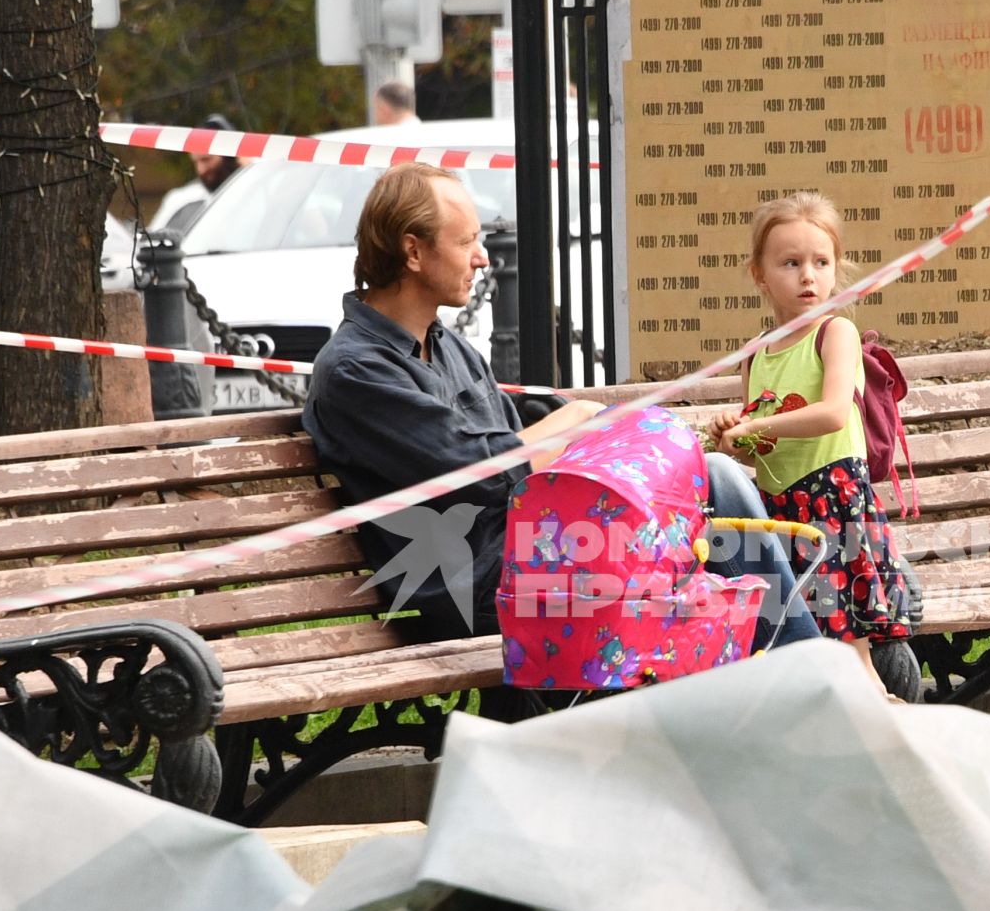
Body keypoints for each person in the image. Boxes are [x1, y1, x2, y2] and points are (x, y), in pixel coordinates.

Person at [303, 161, 820, 656]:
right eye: (466, 242)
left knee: (713, 480)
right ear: (413, 253)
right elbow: (483, 474)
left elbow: (515, 440)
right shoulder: (357, 372)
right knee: (698, 527)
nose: (483, 257)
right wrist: (572, 422)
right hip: (485, 582)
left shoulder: (447, 347)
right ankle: (815, 681)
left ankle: (800, 677)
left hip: (546, 541)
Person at [709, 192, 915, 695]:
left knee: (852, 650)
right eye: (791, 263)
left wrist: (754, 429)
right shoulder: (756, 355)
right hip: (784, 513)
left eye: (821, 262)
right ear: (760, 274)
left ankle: (888, 731)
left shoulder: (835, 332)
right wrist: (731, 435)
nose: (808, 275)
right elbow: (761, 448)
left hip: (835, 503)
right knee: (814, 643)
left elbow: (830, 413)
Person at [151, 114, 244, 232]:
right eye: (196, 162)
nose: (201, 169)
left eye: (206, 160)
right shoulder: (181, 201)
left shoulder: (258, 192)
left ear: (228, 156)